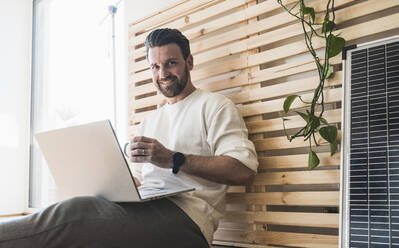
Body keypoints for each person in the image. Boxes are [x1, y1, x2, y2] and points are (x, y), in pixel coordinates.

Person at [0, 28, 258, 248]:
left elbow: (243, 170)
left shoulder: (214, 106)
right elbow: (137, 180)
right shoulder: (150, 121)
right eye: (155, 66)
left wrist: (172, 159)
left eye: (171, 63)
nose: (163, 73)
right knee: (79, 205)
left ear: (189, 62)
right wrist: (105, 179)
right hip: (145, 210)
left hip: (188, 220)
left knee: (75, 215)